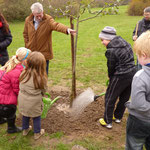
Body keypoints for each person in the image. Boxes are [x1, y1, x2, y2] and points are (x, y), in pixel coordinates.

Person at [97, 26, 136, 129]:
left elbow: (111, 66)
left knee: (110, 97)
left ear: (109, 38)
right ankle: (118, 117)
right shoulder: (124, 42)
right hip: (132, 73)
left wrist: (110, 76)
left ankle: (107, 121)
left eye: (103, 40)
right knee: (124, 97)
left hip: (120, 75)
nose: (102, 42)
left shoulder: (111, 50)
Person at [23, 2, 76, 74]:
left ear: (42, 11)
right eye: (37, 16)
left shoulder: (48, 19)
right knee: (32, 74)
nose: (39, 17)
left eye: (40, 15)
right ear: (33, 13)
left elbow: (56, 25)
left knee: (43, 75)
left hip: (44, 54)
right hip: (31, 53)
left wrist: (67, 29)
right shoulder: (28, 20)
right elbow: (25, 34)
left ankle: (43, 86)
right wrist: (27, 45)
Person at [125, 31, 150, 150]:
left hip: (140, 122)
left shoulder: (140, 76)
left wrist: (129, 104)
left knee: (134, 145)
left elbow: (139, 104)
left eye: (138, 55)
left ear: (144, 55)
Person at [0, 47, 31, 133]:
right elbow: (17, 89)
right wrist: (24, 98)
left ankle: (1, 120)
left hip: (1, 94)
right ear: (25, 60)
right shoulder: (17, 72)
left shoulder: (11, 63)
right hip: (5, 102)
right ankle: (11, 128)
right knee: (11, 113)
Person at [18, 51, 47, 140]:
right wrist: (43, 94)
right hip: (34, 101)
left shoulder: (23, 73)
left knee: (25, 115)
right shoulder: (41, 78)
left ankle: (25, 130)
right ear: (41, 65)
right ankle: (37, 133)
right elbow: (44, 90)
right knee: (36, 117)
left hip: (22, 99)